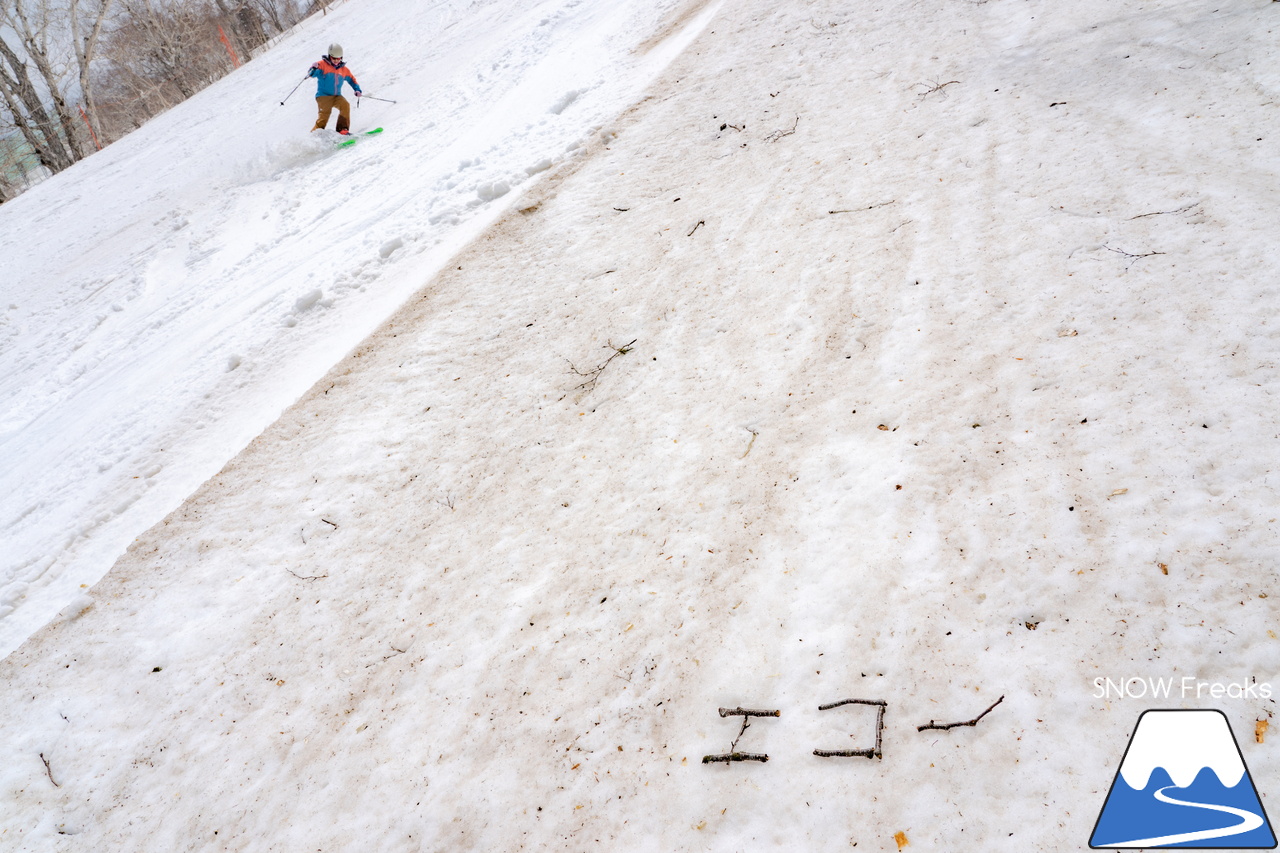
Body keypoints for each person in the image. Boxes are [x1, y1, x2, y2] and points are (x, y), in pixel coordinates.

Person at [309, 44, 362, 135]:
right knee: (325, 115)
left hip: (336, 96)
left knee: (345, 105)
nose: (336, 61)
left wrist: (357, 90)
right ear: (329, 56)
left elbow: (352, 80)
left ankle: (342, 130)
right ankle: (314, 136)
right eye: (334, 58)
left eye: (338, 59)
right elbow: (312, 74)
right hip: (323, 96)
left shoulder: (344, 70)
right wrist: (313, 68)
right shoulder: (322, 65)